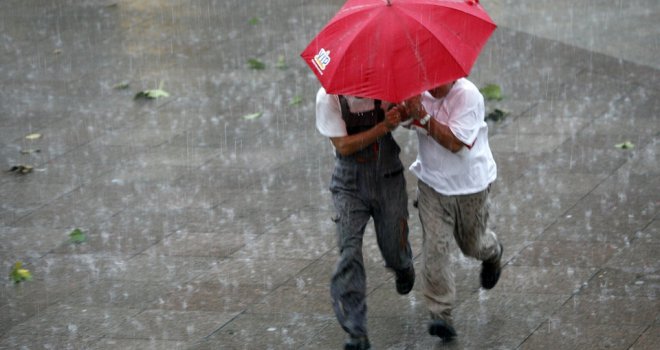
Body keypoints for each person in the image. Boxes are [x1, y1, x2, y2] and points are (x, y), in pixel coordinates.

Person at [401, 78, 504, 342]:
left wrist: (422, 116)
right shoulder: (417, 92)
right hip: (433, 186)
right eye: (428, 80)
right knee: (436, 247)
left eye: (439, 82)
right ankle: (440, 313)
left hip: (471, 187)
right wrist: (400, 110)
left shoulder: (469, 96)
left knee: (472, 245)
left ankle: (493, 251)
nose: (433, 88)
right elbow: (401, 118)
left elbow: (455, 143)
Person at [315, 87, 415, 350]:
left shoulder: (386, 85)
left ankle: (402, 265)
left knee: (394, 245)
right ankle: (355, 330)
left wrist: (403, 113)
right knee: (349, 252)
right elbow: (343, 145)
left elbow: (407, 118)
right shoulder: (328, 97)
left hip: (388, 177)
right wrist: (383, 127)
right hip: (348, 183)